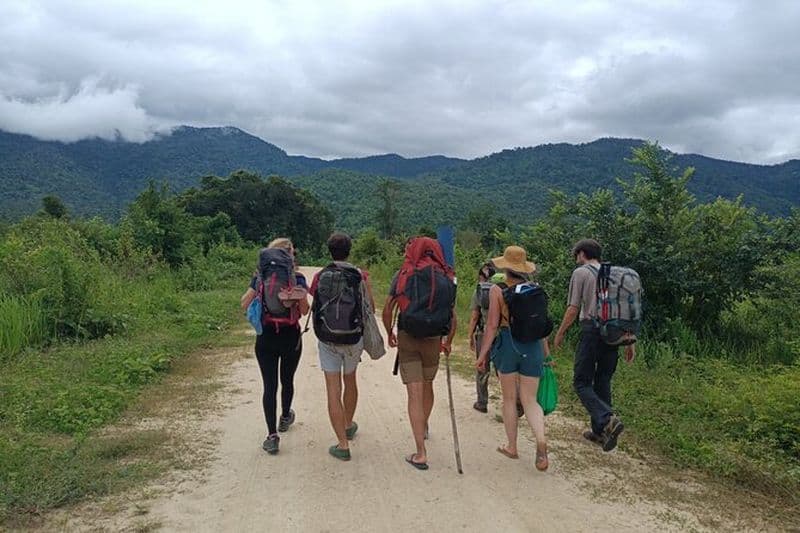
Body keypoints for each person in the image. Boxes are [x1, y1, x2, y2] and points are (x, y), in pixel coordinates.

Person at [382, 237, 457, 470]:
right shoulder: (446, 276)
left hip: (409, 337)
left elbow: (387, 310)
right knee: (428, 385)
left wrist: (389, 332)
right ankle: (424, 425)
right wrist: (448, 341)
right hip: (434, 339)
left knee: (414, 393)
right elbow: (452, 317)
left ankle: (420, 453)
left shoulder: (404, 273)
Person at [553, 238, 634, 452]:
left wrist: (560, 333)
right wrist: (629, 340)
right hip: (614, 332)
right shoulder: (614, 274)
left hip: (591, 330)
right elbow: (624, 309)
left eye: (576, 255)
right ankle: (600, 432)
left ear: (581, 253)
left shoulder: (580, 273)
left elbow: (573, 307)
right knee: (603, 379)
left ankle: (607, 419)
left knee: (581, 382)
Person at [477, 245, 550, 471]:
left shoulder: (497, 290)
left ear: (505, 266)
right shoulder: (535, 289)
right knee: (530, 400)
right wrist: (546, 354)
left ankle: (512, 446)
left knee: (509, 398)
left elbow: (491, 326)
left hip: (508, 344)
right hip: (533, 346)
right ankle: (541, 441)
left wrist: (482, 355)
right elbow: (540, 326)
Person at [309, 232, 377, 461]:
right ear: (350, 250)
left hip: (328, 339)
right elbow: (371, 307)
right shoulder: (360, 275)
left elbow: (314, 302)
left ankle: (342, 444)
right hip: (352, 338)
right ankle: (348, 424)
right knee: (351, 380)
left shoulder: (321, 275)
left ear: (329, 251)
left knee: (332, 389)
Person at [240, 238, 309, 455]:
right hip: (290, 337)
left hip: (266, 338)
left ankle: (271, 436)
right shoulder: (297, 278)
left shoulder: (259, 278)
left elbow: (244, 303)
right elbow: (305, 310)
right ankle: (285, 416)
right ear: (290, 256)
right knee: (286, 380)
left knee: (269, 386)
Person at [468, 263, 495, 413]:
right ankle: (512, 401)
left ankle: (482, 402)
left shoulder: (480, 290)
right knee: (503, 370)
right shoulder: (503, 288)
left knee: (482, 366)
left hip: (484, 333)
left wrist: (470, 335)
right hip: (502, 333)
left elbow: (474, 316)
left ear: (481, 276)